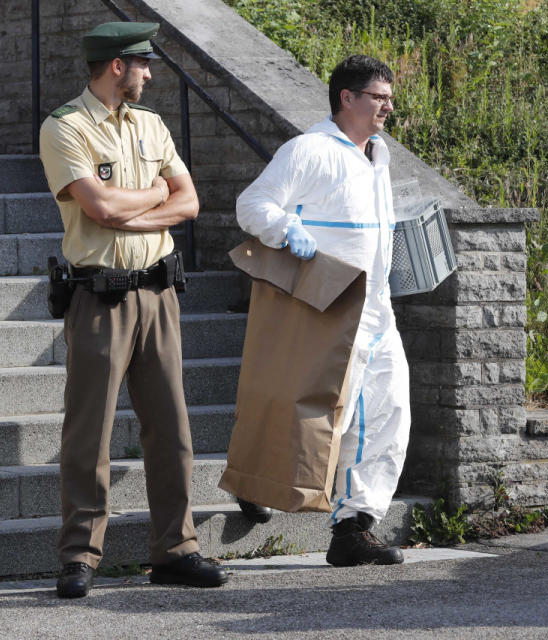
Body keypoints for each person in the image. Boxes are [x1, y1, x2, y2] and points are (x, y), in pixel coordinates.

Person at [38, 21, 227, 598]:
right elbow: (97, 208)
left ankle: (176, 549)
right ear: (117, 65)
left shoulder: (151, 124)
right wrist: (154, 198)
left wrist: (131, 209)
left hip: (160, 293)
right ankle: (79, 555)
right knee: (88, 432)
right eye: (142, 63)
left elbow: (189, 201)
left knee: (171, 427)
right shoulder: (65, 127)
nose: (149, 73)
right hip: (100, 295)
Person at [236, 55, 410, 567]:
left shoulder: (378, 156)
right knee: (316, 410)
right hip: (328, 304)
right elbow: (253, 206)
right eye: (378, 97)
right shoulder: (308, 151)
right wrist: (287, 230)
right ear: (347, 98)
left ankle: (354, 524)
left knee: (389, 410)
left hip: (378, 306)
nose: (388, 107)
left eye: (390, 98)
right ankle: (259, 482)